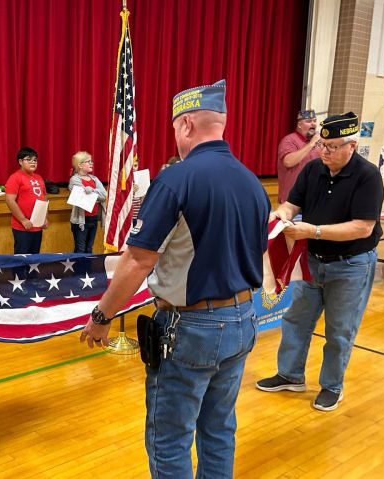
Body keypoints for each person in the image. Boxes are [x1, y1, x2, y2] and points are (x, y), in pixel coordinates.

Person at [81, 80, 270, 478]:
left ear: (185, 125)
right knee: (219, 429)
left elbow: (137, 260)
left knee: (170, 437)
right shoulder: (252, 182)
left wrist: (101, 317)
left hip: (192, 327)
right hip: (243, 319)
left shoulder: (177, 179)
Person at [256, 111, 384, 412]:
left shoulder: (367, 176)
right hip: (312, 261)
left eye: (332, 147)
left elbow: (362, 227)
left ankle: (331, 387)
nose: (324, 152)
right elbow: (291, 204)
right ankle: (290, 374)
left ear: (351, 145)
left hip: (351, 265)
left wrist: (313, 231)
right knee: (295, 320)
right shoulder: (313, 169)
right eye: (322, 146)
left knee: (339, 330)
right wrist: (281, 215)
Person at [4, 146, 48, 254]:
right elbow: (10, 200)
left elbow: (44, 199)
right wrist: (23, 219)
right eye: (29, 159)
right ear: (20, 161)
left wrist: (44, 218)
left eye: (35, 160)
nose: (33, 162)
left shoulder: (39, 178)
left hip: (37, 227)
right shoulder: (15, 177)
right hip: (22, 227)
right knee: (22, 258)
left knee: (34, 259)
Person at [277, 109, 320, 204]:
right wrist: (311, 144)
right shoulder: (289, 140)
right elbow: (288, 162)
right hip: (291, 199)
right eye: (308, 121)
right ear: (299, 125)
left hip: (312, 198)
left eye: (314, 121)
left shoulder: (319, 142)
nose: (313, 124)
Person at [68, 151, 106, 253]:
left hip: (93, 219)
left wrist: (92, 191)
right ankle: (79, 269)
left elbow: (104, 195)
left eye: (91, 161)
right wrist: (94, 195)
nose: (91, 163)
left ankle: (87, 269)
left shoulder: (94, 179)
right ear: (80, 165)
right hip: (81, 220)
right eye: (88, 161)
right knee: (80, 249)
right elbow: (84, 198)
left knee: (89, 248)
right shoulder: (74, 180)